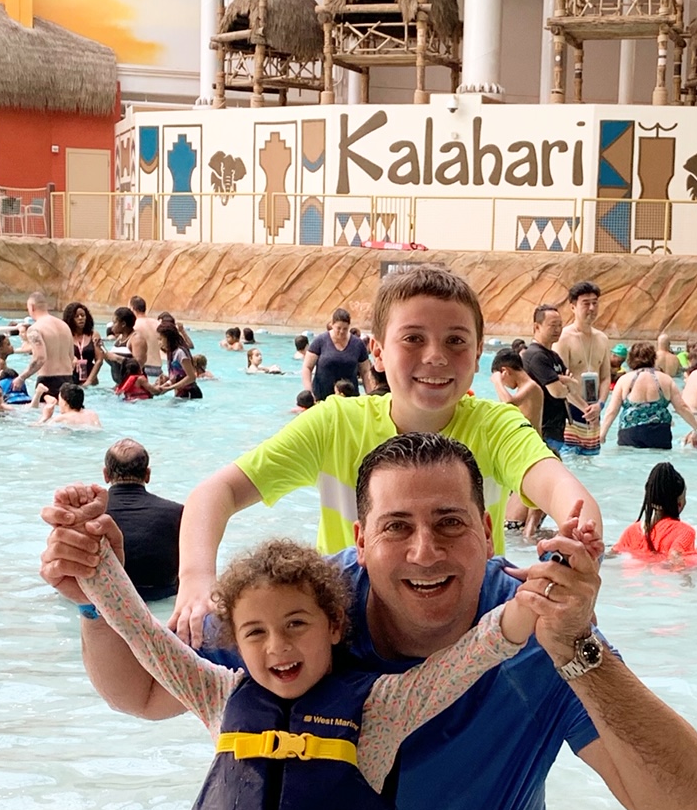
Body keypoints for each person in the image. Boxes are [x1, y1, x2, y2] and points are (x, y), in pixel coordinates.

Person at [40, 432, 697, 810]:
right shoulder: (304, 610)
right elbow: (145, 688)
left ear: (488, 530)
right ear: (360, 541)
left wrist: (579, 649)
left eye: (450, 523)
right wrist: (95, 594)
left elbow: (691, 808)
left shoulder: (544, 621)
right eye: (397, 527)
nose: (425, 552)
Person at [75, 517, 543, 810]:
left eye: (296, 623)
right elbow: (145, 637)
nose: (277, 646)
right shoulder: (219, 695)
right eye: (255, 632)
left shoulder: (380, 710)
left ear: (334, 625)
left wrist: (527, 608)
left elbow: (464, 662)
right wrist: (95, 562)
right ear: (235, 642)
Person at [168, 267, 601, 643]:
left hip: (466, 636)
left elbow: (570, 498)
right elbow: (216, 493)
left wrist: (567, 569)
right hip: (349, 636)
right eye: (413, 338)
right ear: (376, 350)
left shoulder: (496, 427)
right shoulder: (334, 425)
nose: (435, 356)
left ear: (477, 352)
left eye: (455, 340)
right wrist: (196, 582)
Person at [611, 461, 697, 566]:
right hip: (685, 570)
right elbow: (675, 556)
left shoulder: (631, 531)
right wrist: (688, 584)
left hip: (645, 574)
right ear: (679, 503)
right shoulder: (684, 532)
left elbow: (612, 553)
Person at [102, 438, 184, 601]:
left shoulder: (89, 514)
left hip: (104, 599)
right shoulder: (178, 512)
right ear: (147, 474)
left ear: (106, 474)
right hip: (163, 599)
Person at [599, 342, 697, 450]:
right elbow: (681, 407)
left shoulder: (624, 380)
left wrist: (602, 434)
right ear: (653, 358)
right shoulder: (666, 380)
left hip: (630, 434)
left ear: (630, 359)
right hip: (660, 434)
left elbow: (612, 411)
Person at [490, 348, 545, 536]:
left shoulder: (531, 386)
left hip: (531, 452)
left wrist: (497, 382)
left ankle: (528, 535)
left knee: (529, 515)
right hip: (522, 453)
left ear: (505, 371)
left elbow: (508, 404)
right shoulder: (526, 389)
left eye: (502, 376)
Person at [521, 303, 588, 455]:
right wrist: (565, 382)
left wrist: (584, 408)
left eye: (560, 325)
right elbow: (557, 392)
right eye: (552, 325)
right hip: (542, 429)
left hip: (556, 429)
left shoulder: (553, 356)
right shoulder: (536, 356)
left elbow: (573, 388)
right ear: (536, 327)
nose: (558, 330)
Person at [556, 281, 611, 457]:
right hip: (570, 412)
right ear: (573, 307)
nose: (592, 308)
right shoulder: (564, 338)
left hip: (594, 411)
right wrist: (584, 408)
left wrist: (600, 405)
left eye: (595, 303)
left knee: (590, 466)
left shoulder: (602, 339)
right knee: (569, 464)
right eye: (586, 303)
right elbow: (560, 381)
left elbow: (605, 378)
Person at [13, 292, 75, 403]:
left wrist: (22, 377)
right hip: (69, 380)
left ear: (32, 307)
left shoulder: (35, 329)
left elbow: (40, 358)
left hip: (48, 381)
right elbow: (71, 356)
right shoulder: (64, 326)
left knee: (46, 416)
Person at [304, 309, 373, 402]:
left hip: (350, 398)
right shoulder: (320, 341)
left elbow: (365, 372)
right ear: (332, 324)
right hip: (322, 397)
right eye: (338, 328)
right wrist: (309, 392)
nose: (341, 332)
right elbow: (307, 367)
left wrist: (370, 395)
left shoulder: (358, 344)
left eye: (345, 329)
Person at [153, 325, 201, 400]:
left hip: (190, 394)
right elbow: (176, 377)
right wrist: (164, 386)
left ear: (169, 339)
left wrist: (169, 388)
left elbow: (191, 377)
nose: (159, 343)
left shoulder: (180, 353)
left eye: (160, 339)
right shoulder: (171, 353)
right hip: (181, 393)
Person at [64, 302, 105, 387]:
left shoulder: (94, 335)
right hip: (71, 380)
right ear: (70, 319)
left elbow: (99, 360)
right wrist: (72, 358)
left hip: (91, 381)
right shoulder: (66, 335)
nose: (80, 318)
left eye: (83, 315)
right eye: (77, 316)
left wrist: (88, 381)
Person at [129, 296, 163, 379]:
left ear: (132, 308)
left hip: (143, 368)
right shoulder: (157, 323)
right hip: (158, 369)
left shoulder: (134, 325)